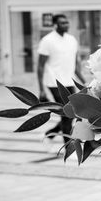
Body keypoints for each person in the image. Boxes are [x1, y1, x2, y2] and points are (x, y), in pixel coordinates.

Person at [37, 14, 85, 143]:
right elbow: (40, 66)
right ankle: (68, 146)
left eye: (67, 22)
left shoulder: (72, 40)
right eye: (63, 23)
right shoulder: (47, 40)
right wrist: (41, 89)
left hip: (69, 81)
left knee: (72, 113)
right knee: (67, 114)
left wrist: (83, 82)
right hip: (54, 82)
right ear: (55, 25)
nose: (66, 25)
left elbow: (75, 65)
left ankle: (50, 134)